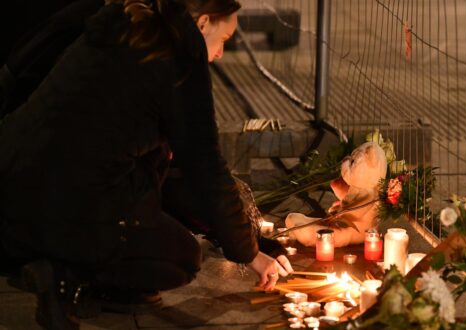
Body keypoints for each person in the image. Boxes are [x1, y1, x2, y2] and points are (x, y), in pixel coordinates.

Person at [0, 0, 293, 328]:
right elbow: (204, 167)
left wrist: (241, 236)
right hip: (59, 201)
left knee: (149, 188)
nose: (221, 53)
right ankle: (65, 275)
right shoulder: (178, 62)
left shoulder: (123, 25)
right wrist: (251, 254)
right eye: (223, 40)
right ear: (203, 23)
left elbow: (168, 171)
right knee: (178, 259)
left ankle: (46, 252)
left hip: (13, 182)